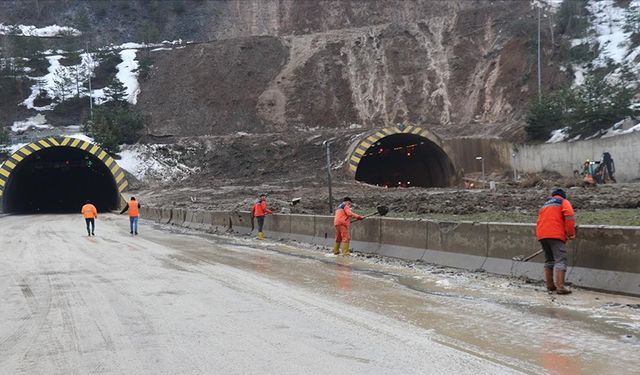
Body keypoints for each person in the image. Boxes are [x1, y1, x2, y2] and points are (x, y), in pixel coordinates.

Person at [536, 188, 576, 294]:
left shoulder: (545, 205)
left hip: (542, 235)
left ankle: (550, 285)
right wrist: (570, 234)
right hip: (555, 235)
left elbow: (539, 220)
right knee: (560, 260)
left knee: (549, 260)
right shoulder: (563, 202)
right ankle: (560, 287)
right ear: (563, 195)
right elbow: (569, 217)